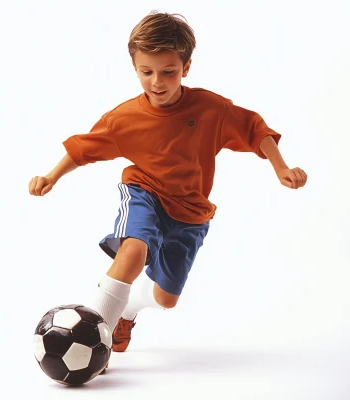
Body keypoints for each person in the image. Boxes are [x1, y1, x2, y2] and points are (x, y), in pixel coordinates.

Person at [28, 11, 307, 361]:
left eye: (168, 72)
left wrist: (282, 167)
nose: (156, 82)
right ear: (135, 67)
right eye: (146, 72)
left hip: (191, 213)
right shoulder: (123, 119)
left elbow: (255, 129)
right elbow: (84, 148)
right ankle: (93, 339)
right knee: (133, 252)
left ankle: (126, 312)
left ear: (185, 68)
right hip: (145, 193)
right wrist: (51, 176)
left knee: (166, 298)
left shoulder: (210, 108)